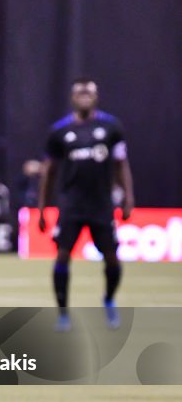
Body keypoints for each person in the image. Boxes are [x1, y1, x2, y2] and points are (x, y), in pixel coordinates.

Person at [37, 77, 134, 331]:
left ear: (96, 96)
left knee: (112, 259)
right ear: (72, 98)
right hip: (71, 206)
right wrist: (42, 208)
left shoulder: (111, 127)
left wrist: (128, 198)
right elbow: (49, 172)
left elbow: (121, 164)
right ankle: (63, 313)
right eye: (80, 93)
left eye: (89, 93)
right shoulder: (59, 132)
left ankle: (109, 299)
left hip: (102, 205)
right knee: (62, 256)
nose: (84, 96)